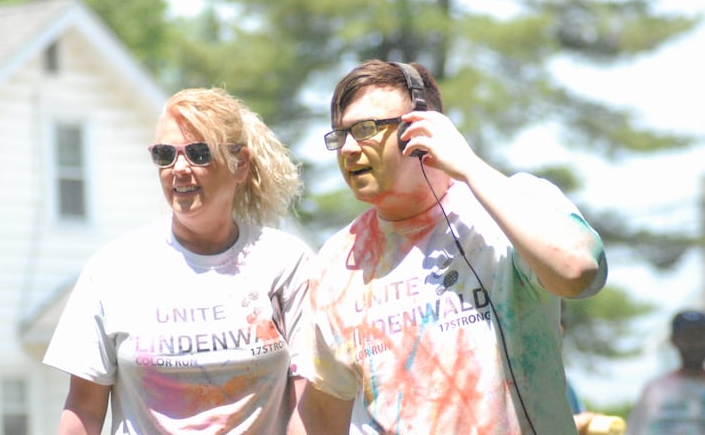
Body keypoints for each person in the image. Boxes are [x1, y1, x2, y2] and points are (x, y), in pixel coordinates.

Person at [288, 60, 608, 435]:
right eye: (340, 135)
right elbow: (323, 410)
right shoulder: (335, 261)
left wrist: (469, 166)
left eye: (366, 129)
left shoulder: (516, 202)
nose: (349, 149)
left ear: (421, 128)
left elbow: (578, 272)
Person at [43, 87, 315, 434]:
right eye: (165, 154)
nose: (180, 169)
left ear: (240, 164)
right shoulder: (114, 269)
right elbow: (83, 409)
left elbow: (312, 404)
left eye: (199, 153)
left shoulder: (286, 263)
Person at [626, 309, 705, 434]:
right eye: (687, 336)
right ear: (673, 341)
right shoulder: (654, 389)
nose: (694, 343)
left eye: (699, 335)